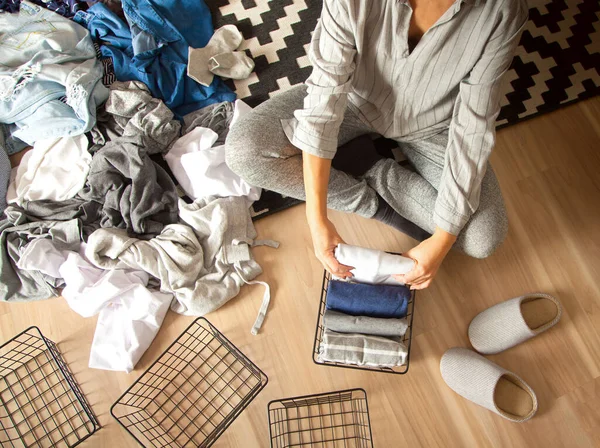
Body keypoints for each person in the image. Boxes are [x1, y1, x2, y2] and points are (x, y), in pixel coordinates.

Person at [225, 0, 528, 290]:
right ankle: (373, 203)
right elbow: (325, 98)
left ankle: (370, 168)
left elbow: (473, 128)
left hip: (435, 124)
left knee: (482, 239)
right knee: (245, 151)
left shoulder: (502, 11)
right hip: (351, 100)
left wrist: (442, 241)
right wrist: (317, 219)